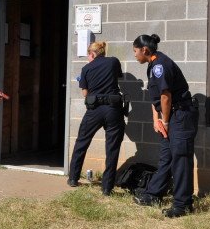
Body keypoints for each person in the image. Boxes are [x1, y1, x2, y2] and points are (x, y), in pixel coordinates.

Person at [132, 34, 199, 218]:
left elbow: (165, 96)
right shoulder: (153, 65)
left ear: (145, 50)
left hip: (181, 115)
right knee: (166, 156)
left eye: (135, 51)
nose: (135, 55)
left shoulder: (160, 65)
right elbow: (156, 98)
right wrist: (157, 120)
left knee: (181, 159)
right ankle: (153, 195)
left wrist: (166, 121)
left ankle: (182, 205)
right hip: (171, 115)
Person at [67, 42, 125, 196]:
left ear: (91, 54)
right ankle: (107, 188)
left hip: (94, 111)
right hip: (113, 109)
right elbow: (118, 77)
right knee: (112, 147)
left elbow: (85, 94)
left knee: (82, 142)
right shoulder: (113, 61)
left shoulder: (86, 68)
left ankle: (73, 178)